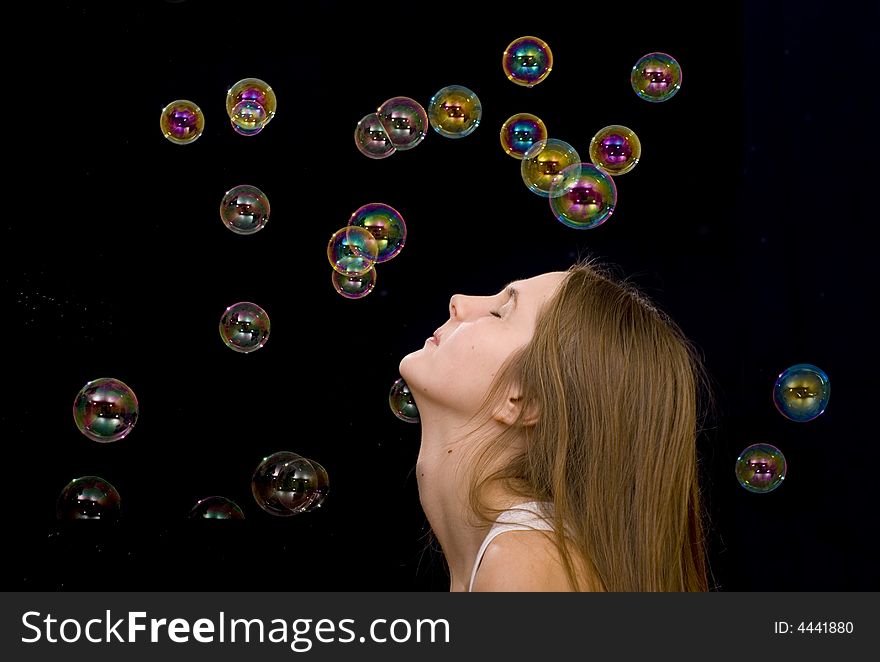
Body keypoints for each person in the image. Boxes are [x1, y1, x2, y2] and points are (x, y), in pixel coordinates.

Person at [398, 256, 715, 591]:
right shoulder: (527, 557)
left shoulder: (523, 565)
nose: (459, 302)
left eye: (499, 312)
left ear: (524, 400)